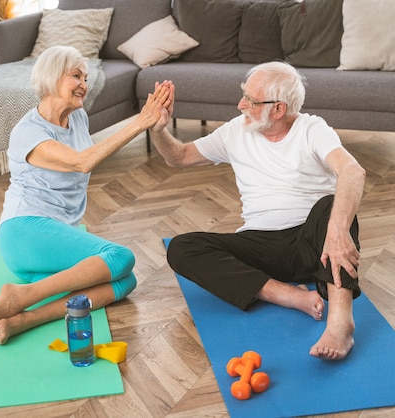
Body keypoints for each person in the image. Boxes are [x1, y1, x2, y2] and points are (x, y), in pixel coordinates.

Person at [149, 61, 366, 360]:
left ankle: (341, 322)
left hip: (314, 244)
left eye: (251, 101)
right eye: (244, 95)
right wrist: (158, 130)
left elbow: (352, 172)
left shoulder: (311, 129)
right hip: (260, 246)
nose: (241, 105)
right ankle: (290, 296)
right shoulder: (235, 131)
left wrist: (338, 231)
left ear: (278, 109)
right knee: (182, 248)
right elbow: (179, 156)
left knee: (332, 207)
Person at [0, 46, 171, 344]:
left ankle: (25, 318)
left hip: (52, 238)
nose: (84, 84)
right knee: (120, 257)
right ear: (51, 78)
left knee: (125, 281)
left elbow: (91, 154)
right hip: (25, 231)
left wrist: (155, 124)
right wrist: (139, 121)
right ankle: (23, 295)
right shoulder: (29, 132)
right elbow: (82, 161)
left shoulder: (78, 119)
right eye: (76, 76)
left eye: (85, 77)